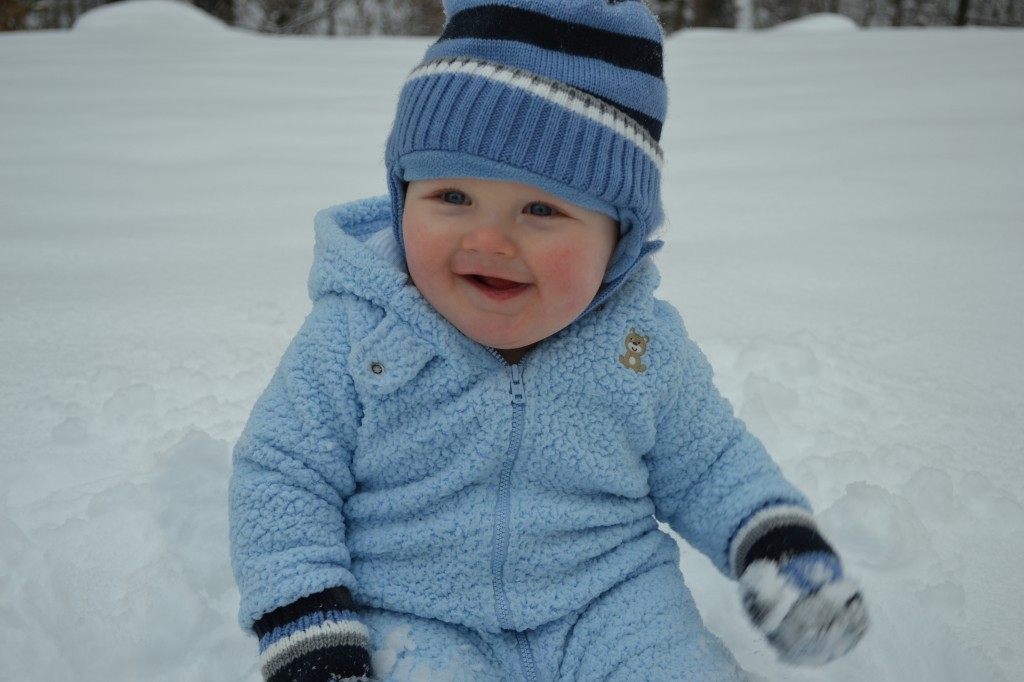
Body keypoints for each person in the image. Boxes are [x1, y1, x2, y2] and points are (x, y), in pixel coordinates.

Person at [228, 1, 869, 680]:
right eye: (451, 196)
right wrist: (308, 630)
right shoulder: (356, 333)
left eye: (541, 209)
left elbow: (709, 463)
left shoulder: (639, 349)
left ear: (617, 242)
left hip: (613, 604)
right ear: (402, 195)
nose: (487, 239)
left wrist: (779, 547)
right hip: (415, 614)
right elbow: (285, 478)